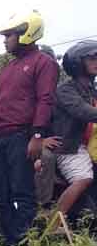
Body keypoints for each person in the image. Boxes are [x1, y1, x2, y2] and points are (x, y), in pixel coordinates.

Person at [0, 11, 59, 246]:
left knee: (23, 193)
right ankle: (17, 241)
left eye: (9, 35)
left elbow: (45, 100)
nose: (5, 40)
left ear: (26, 33)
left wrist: (37, 135)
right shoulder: (8, 68)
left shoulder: (44, 63)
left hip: (22, 136)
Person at [49, 40, 97, 222]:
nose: (96, 62)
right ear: (77, 62)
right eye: (92, 58)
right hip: (69, 147)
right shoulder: (65, 90)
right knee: (83, 179)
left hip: (88, 148)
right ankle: (53, 224)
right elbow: (83, 111)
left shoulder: (92, 90)